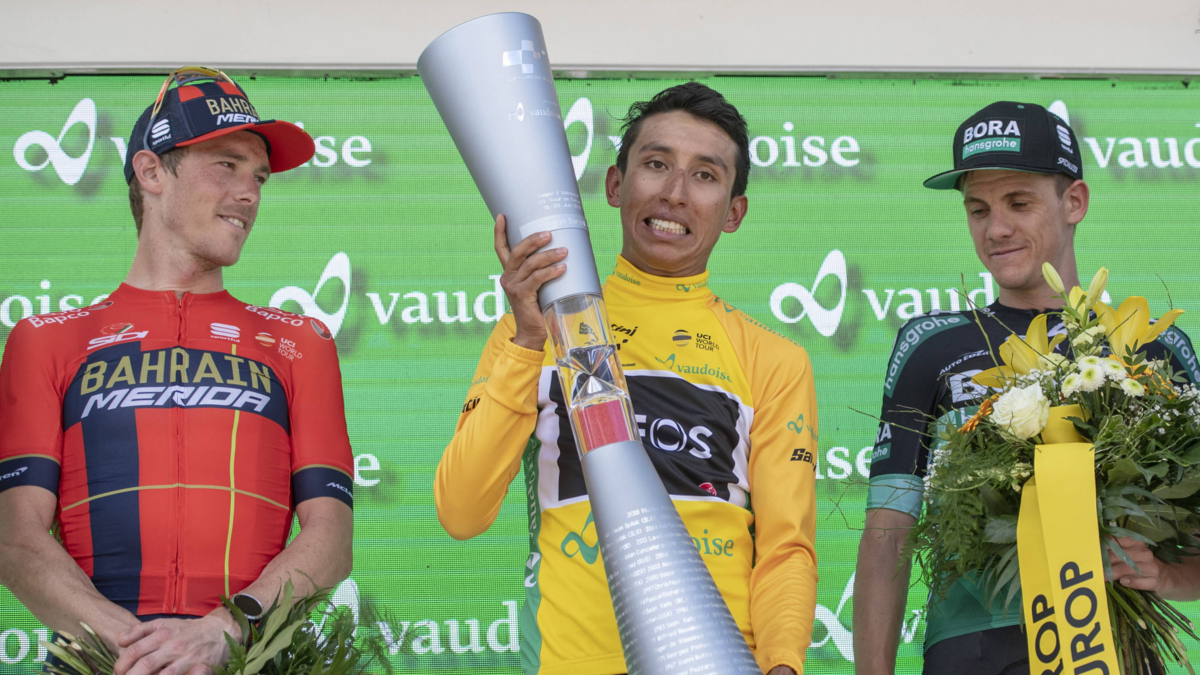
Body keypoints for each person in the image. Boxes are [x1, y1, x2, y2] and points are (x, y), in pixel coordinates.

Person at [435, 83, 818, 675]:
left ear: (734, 213)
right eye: (656, 164)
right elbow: (462, 512)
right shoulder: (536, 327)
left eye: (705, 176)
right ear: (616, 185)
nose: (674, 193)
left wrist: (784, 664)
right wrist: (528, 341)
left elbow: (785, 549)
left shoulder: (774, 359)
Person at [0, 68, 355, 675]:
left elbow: (332, 537)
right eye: (227, 165)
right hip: (105, 661)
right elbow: (15, 538)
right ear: (151, 172)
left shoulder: (300, 342)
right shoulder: (47, 340)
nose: (250, 193)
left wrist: (223, 632)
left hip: (245, 656)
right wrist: (141, 649)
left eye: (259, 176)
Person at [852, 101, 1200, 675]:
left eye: (1019, 203)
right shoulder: (929, 346)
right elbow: (887, 533)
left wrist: (1165, 576)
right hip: (973, 651)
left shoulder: (1155, 348)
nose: (996, 229)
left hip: (1112, 644)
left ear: (1075, 202)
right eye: (978, 209)